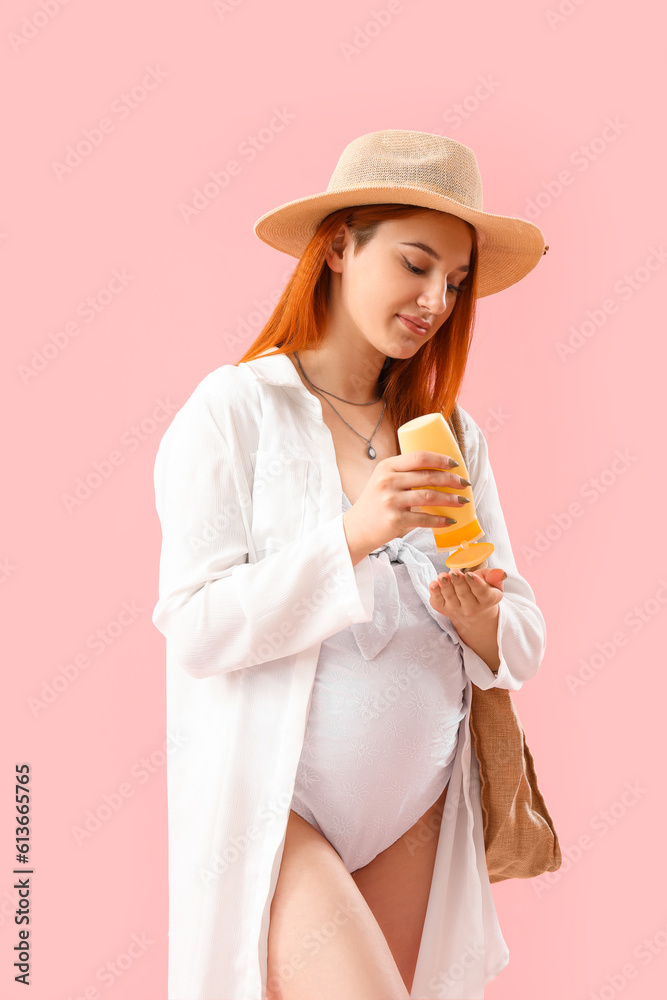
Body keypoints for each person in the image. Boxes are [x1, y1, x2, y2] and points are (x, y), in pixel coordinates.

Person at [151, 129, 550, 1000]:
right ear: (337, 247)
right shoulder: (236, 410)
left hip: (419, 805)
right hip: (278, 804)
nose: (435, 298)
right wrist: (354, 534)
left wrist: (478, 615)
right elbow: (196, 626)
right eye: (414, 263)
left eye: (454, 280)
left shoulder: (457, 435)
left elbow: (518, 634)